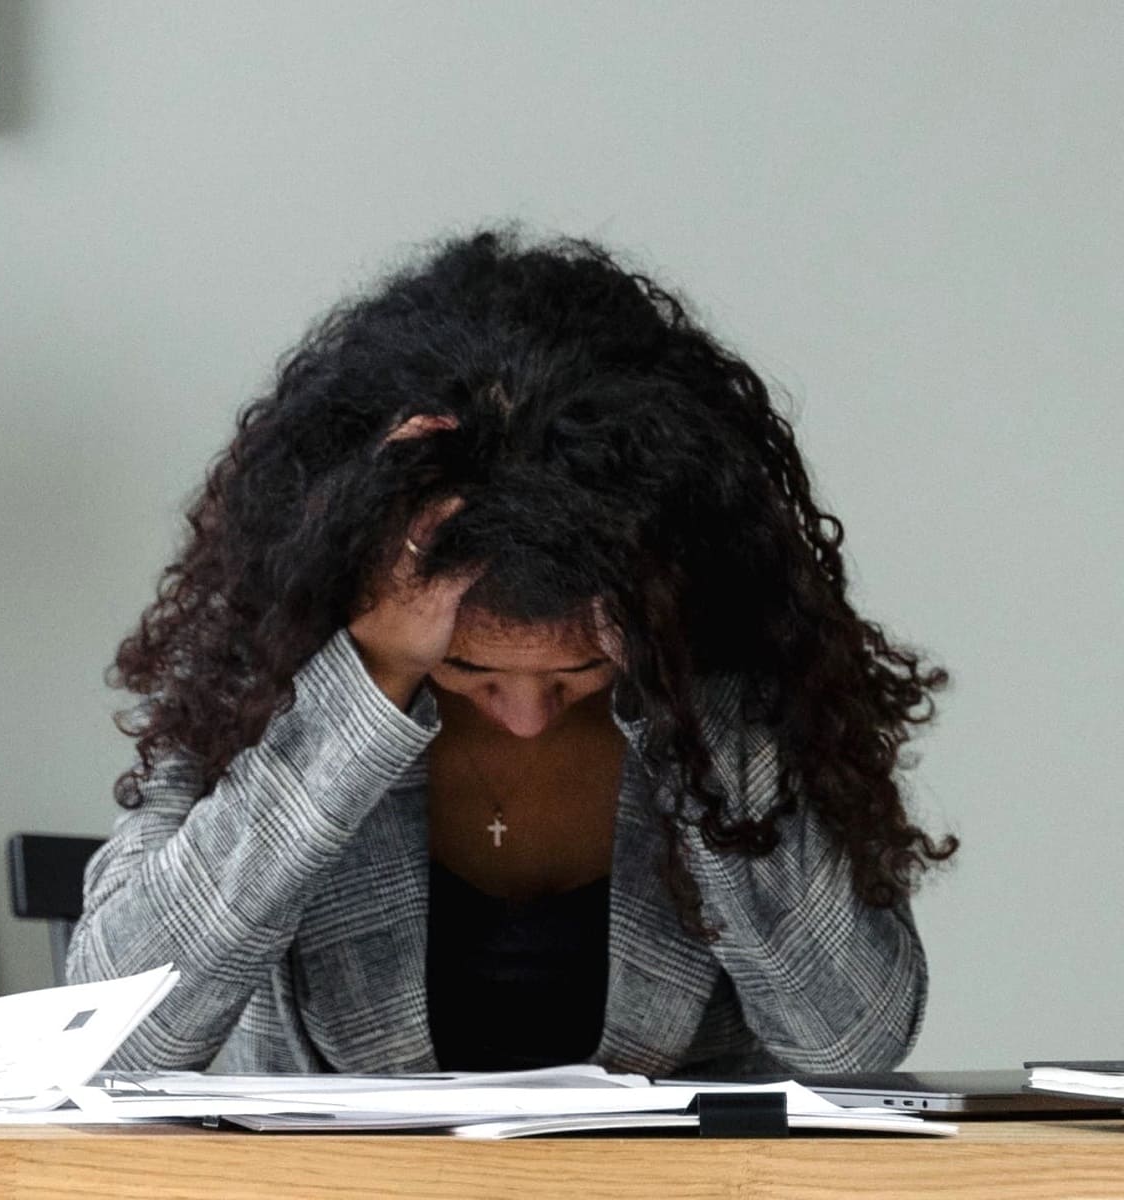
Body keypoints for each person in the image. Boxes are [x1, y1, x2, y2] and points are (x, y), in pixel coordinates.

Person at [67, 229, 957, 1077]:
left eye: (576, 676)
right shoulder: (269, 674)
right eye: (471, 672)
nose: (528, 717)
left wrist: (680, 689)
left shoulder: (717, 683)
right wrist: (363, 689)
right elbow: (112, 1039)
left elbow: (853, 1040)